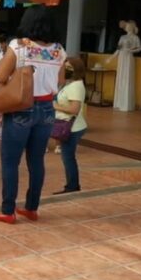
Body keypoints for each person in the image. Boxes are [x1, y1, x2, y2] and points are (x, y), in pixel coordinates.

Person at [0, 6, 66, 224]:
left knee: (10, 161)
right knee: (36, 160)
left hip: (21, 108)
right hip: (47, 109)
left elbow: (1, 75)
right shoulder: (59, 50)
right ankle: (31, 208)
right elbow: (60, 82)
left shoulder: (18, 47)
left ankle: (7, 210)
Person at [53, 57, 87, 194]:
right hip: (69, 125)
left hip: (72, 127)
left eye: (69, 68)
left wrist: (55, 106)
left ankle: (72, 186)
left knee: (68, 157)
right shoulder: (70, 84)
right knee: (67, 156)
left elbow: (74, 109)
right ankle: (72, 185)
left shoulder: (75, 86)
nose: (65, 70)